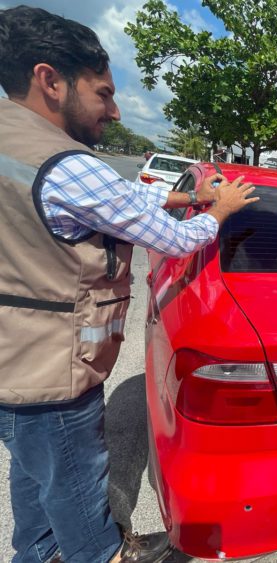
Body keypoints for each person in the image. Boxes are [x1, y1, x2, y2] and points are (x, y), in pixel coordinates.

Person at [0, 6, 257, 562]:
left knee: (37, 490)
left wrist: (194, 198)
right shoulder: (66, 163)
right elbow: (174, 239)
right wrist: (222, 211)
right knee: (77, 499)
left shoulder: (16, 143)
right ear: (50, 80)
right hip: (50, 373)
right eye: (103, 93)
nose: (114, 111)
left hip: (15, 361)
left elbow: (127, 201)